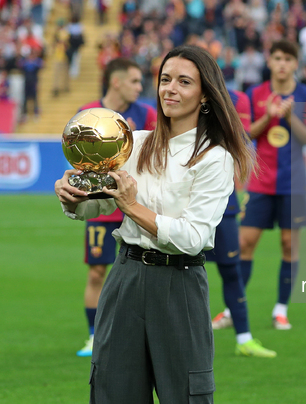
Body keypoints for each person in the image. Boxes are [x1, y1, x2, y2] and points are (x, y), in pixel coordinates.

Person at [55, 44, 255, 402]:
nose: (170, 89)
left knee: (185, 395)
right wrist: (72, 195)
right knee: (112, 392)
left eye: (184, 82)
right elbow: (95, 207)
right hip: (125, 279)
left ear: (205, 95)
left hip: (179, 286)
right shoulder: (134, 144)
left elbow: (193, 237)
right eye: (165, 79)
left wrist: (131, 206)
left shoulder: (215, 158)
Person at [215, 39, 306, 330]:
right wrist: (270, 117)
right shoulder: (256, 93)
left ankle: (281, 309)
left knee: (289, 245)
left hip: (294, 184)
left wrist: (290, 117)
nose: (282, 64)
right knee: (244, 243)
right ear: (270, 62)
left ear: (296, 64)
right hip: (260, 183)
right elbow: (245, 134)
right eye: (277, 58)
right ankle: (231, 308)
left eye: (288, 58)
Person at [75, 58, 157, 357]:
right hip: (100, 204)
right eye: (135, 81)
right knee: (97, 272)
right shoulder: (89, 114)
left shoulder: (146, 114)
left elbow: (154, 157)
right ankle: (94, 336)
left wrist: (133, 140)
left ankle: (137, 336)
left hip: (135, 206)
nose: (140, 87)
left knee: (140, 275)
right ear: (116, 81)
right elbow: (79, 159)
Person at [207, 88, 276, 358]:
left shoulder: (235, 99)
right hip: (183, 201)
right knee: (180, 271)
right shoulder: (177, 96)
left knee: (231, 270)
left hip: (224, 201)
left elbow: (241, 138)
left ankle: (244, 338)